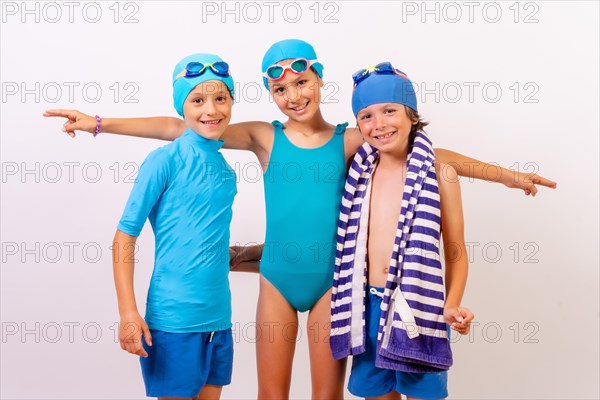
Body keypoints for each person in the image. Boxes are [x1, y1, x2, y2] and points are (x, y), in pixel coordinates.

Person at [45, 39, 555, 399]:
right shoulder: (265, 137)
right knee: (271, 394)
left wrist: (508, 175)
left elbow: (431, 150)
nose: (293, 96)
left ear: (318, 80)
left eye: (302, 82)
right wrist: (97, 123)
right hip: (277, 284)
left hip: (334, 285)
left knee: (325, 395)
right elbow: (179, 126)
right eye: (281, 89)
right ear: (271, 95)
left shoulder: (350, 138)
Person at [331, 63, 475, 399]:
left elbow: (455, 249)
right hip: (366, 307)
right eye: (366, 116)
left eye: (389, 111)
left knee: (424, 394)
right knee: (376, 393)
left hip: (419, 307)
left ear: (412, 115)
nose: (378, 124)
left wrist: (452, 305)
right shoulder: (358, 172)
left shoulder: (440, 173)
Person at [112, 53, 237, 399]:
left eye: (220, 98)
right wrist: (128, 312)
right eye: (197, 100)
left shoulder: (227, 171)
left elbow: (202, 239)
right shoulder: (164, 160)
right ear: (182, 106)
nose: (210, 110)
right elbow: (124, 236)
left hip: (219, 317)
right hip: (173, 320)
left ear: (231, 101)